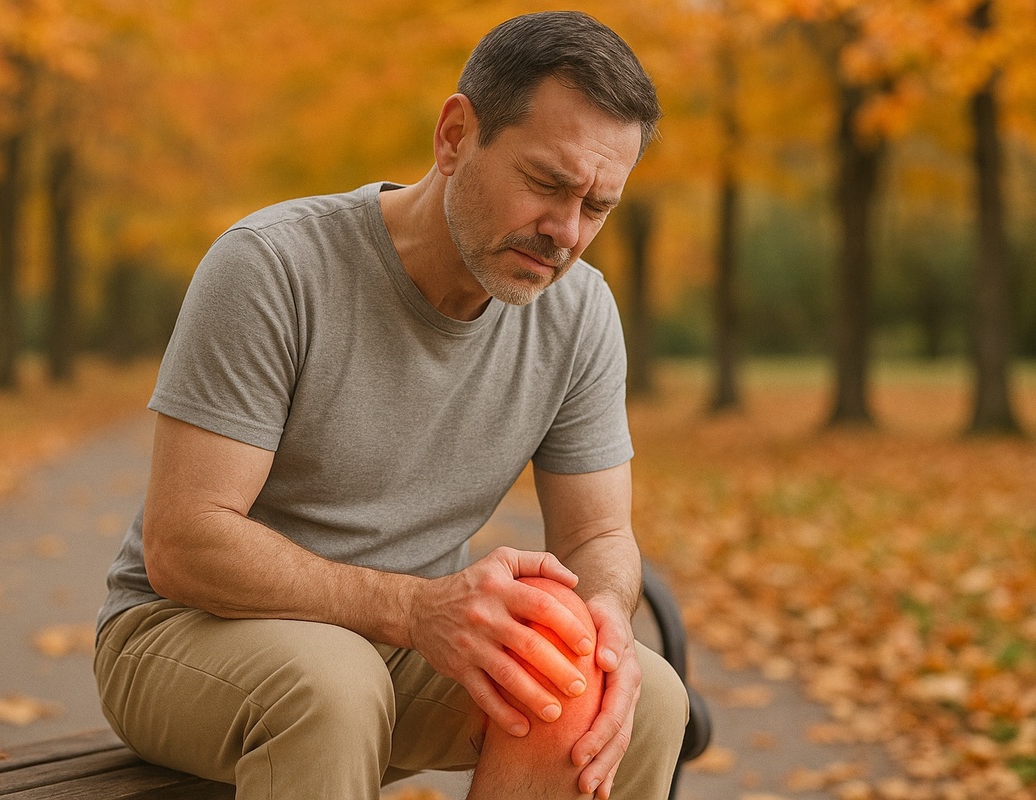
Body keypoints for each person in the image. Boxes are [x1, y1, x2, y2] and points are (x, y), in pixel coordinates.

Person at [94, 10, 688, 799]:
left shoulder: (579, 312)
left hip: (403, 649)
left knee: (630, 696)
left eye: (598, 206)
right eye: (547, 184)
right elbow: (183, 545)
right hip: (186, 632)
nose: (566, 232)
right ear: (455, 136)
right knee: (332, 687)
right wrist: (413, 610)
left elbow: (598, 535)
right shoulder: (273, 266)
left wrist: (605, 618)